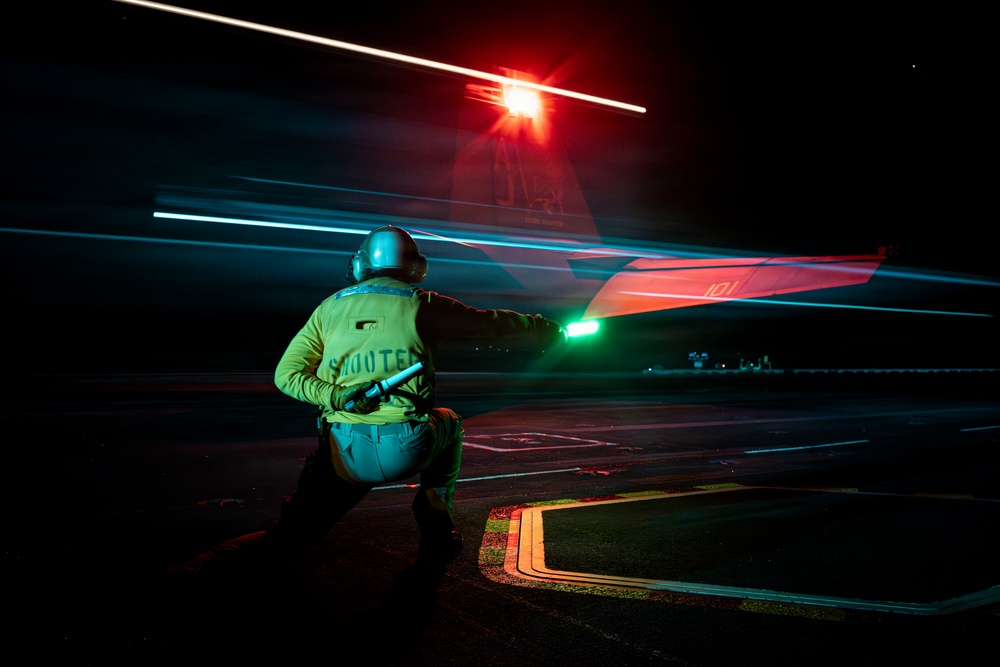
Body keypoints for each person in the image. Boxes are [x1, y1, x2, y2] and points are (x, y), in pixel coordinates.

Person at [175, 225, 564, 582]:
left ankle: (198, 568)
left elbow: (286, 376)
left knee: (287, 539)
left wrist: (334, 394)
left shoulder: (329, 308)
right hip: (406, 448)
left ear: (362, 263)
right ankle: (436, 533)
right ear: (415, 266)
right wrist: (546, 328)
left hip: (341, 454)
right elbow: (495, 322)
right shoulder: (424, 303)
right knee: (450, 421)